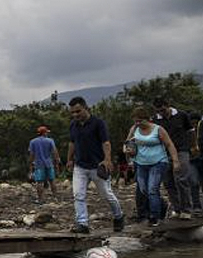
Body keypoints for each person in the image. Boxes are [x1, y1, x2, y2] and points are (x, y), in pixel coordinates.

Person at [66, 96, 124, 233]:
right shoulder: (73, 125)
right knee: (78, 195)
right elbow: (72, 143)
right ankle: (82, 223)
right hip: (80, 166)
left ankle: (119, 216)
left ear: (86, 108)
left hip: (97, 166)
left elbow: (106, 142)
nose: (75, 115)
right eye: (73, 112)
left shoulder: (98, 123)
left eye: (78, 111)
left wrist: (107, 160)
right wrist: (69, 159)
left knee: (107, 195)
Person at [125, 107, 180, 227]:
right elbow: (128, 143)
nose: (138, 123)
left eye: (140, 121)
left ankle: (154, 217)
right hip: (141, 163)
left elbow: (169, 145)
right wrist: (129, 151)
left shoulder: (158, 129)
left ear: (148, 119)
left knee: (152, 189)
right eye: (136, 121)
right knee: (143, 190)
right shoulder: (134, 129)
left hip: (158, 162)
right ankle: (162, 205)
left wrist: (175, 161)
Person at [152, 97, 195, 219]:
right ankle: (177, 208)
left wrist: (193, 146)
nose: (161, 112)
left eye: (163, 110)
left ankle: (186, 209)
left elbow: (191, 131)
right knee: (168, 182)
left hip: (181, 150)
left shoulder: (182, 115)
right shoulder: (155, 120)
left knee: (181, 179)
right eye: (158, 110)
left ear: (168, 105)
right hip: (163, 153)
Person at [29, 125, 61, 203]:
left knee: (39, 182)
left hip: (38, 164)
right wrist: (57, 161)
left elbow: (32, 154)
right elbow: (54, 152)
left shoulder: (32, 141)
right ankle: (55, 198)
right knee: (52, 180)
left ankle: (41, 199)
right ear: (44, 133)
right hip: (49, 163)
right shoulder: (50, 140)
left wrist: (30, 164)